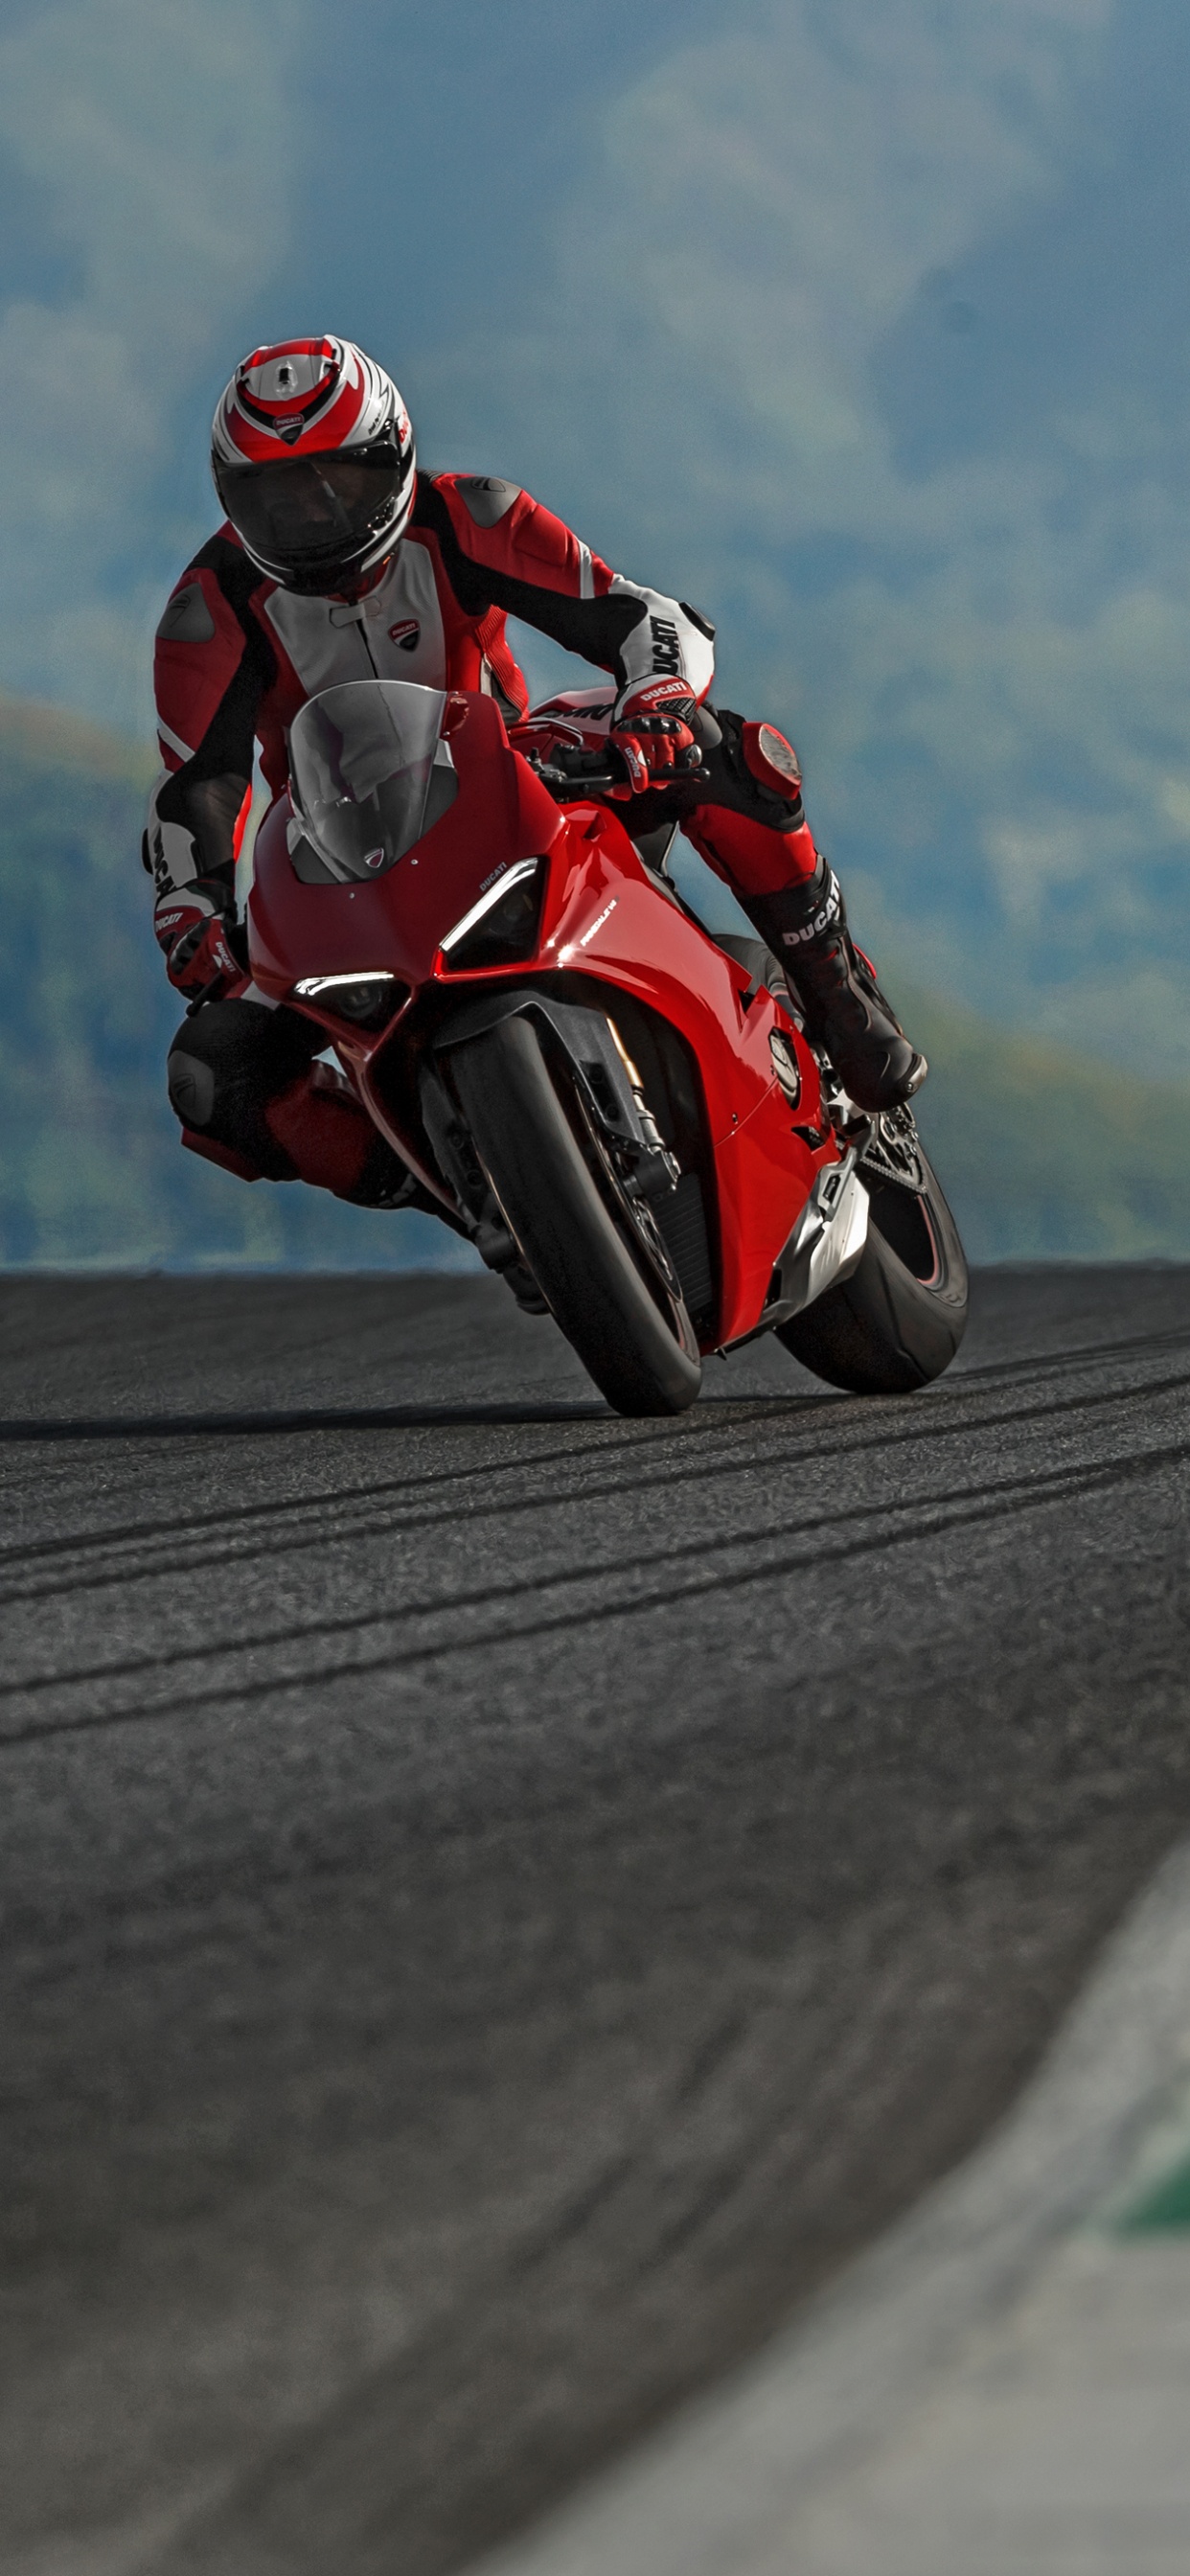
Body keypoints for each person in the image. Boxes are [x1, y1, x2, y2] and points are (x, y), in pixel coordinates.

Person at [149, 334, 923, 1212]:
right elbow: (195, 790)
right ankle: (465, 1193)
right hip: (342, 868)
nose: (317, 516)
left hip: (513, 777)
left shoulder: (467, 513)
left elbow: (634, 612)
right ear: (231, 501)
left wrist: (657, 698)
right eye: (280, 498)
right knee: (215, 1081)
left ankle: (834, 987)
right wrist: (195, 909)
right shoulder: (205, 611)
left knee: (726, 750)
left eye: (341, 481)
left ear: (396, 453)